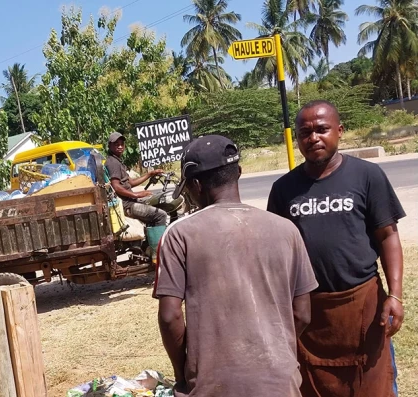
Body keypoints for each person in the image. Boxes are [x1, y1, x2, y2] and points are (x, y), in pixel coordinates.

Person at [154, 135, 318, 397]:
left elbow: (170, 316)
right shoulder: (287, 230)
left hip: (212, 386)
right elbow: (303, 314)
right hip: (280, 383)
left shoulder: (179, 235)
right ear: (238, 173)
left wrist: (181, 372)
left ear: (196, 185)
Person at [267, 100, 405, 397]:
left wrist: (395, 294)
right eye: (305, 132)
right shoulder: (283, 189)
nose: (313, 137)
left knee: (374, 385)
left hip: (362, 306)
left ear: (339, 131)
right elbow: (276, 253)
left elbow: (387, 236)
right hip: (310, 313)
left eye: (321, 129)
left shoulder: (367, 176)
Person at [104, 132, 167, 226]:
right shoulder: (113, 163)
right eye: (116, 144)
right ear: (109, 146)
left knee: (158, 202)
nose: (120, 146)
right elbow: (116, 186)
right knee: (161, 215)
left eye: (122, 144)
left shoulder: (117, 161)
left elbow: (131, 182)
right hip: (127, 205)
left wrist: (149, 174)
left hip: (130, 202)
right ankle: (159, 241)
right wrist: (136, 195)